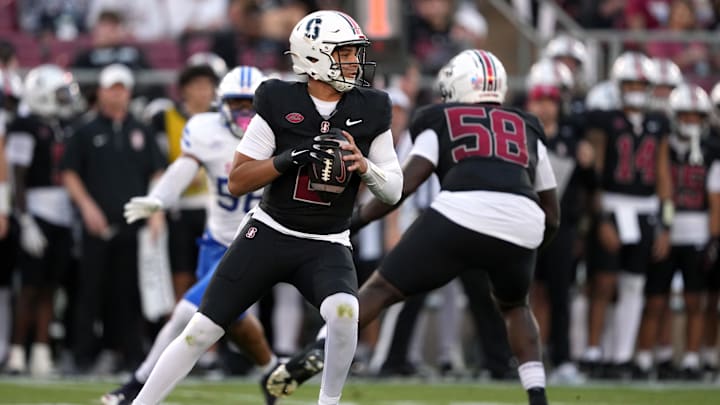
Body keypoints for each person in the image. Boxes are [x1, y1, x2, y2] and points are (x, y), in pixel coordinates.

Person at [129, 10, 402, 405]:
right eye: (344, 53)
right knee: (201, 330)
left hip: (326, 240)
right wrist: (290, 158)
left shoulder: (371, 108)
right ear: (314, 57)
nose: (354, 62)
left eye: (354, 53)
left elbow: (393, 189)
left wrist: (366, 167)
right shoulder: (279, 100)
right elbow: (239, 178)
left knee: (345, 313)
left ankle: (329, 403)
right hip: (268, 233)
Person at [263, 49, 559, 405]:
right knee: (516, 307)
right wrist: (526, 244)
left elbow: (404, 185)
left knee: (381, 289)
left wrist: (355, 221)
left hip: (460, 213)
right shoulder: (526, 124)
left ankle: (317, 351)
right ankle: (538, 395)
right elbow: (552, 212)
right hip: (523, 219)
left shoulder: (439, 117)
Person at [101, 66, 276, 405]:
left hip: (258, 241)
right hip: (217, 241)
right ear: (221, 104)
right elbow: (184, 167)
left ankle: (135, 387)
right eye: (236, 103)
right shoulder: (204, 129)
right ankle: (273, 372)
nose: (243, 112)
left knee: (186, 313)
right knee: (237, 323)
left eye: (250, 104)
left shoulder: (281, 134)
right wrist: (159, 199)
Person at [61, 64, 165, 373]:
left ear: (129, 93)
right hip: (97, 225)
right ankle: (82, 355)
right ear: (102, 92)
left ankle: (129, 354)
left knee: (128, 292)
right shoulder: (85, 130)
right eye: (111, 88)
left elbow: (157, 171)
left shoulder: (140, 130)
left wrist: (154, 209)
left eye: (122, 89)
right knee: (89, 290)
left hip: (132, 225)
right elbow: (69, 172)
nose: (117, 94)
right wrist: (86, 207)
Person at [581, 51, 672, 378]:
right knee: (603, 283)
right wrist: (602, 217)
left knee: (634, 285)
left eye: (640, 83)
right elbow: (598, 173)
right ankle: (593, 351)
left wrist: (665, 223)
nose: (635, 88)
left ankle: (621, 356)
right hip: (613, 205)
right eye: (629, 82)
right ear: (618, 86)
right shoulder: (607, 120)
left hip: (645, 209)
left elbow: (663, 176)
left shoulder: (658, 123)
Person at [634, 84, 720, 380]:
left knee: (696, 300)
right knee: (655, 300)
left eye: (697, 117)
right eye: (685, 115)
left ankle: (692, 360)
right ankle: (646, 358)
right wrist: (664, 227)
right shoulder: (662, 145)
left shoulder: (712, 150)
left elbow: (714, 199)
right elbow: (663, 192)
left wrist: (713, 237)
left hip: (697, 233)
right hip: (666, 231)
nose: (691, 122)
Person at [3, 65, 80, 376]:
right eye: (59, 94)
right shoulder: (24, 125)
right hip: (36, 211)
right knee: (30, 287)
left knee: (50, 287)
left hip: (62, 214)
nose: (65, 101)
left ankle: (42, 350)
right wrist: (25, 219)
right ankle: (18, 351)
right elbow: (17, 177)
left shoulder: (62, 125)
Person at [150, 61, 221, 299]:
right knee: (180, 272)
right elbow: (158, 163)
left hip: (213, 207)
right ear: (184, 89)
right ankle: (180, 324)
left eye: (208, 85)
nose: (203, 91)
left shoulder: (221, 119)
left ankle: (212, 334)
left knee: (213, 273)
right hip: (178, 207)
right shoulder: (166, 118)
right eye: (197, 85)